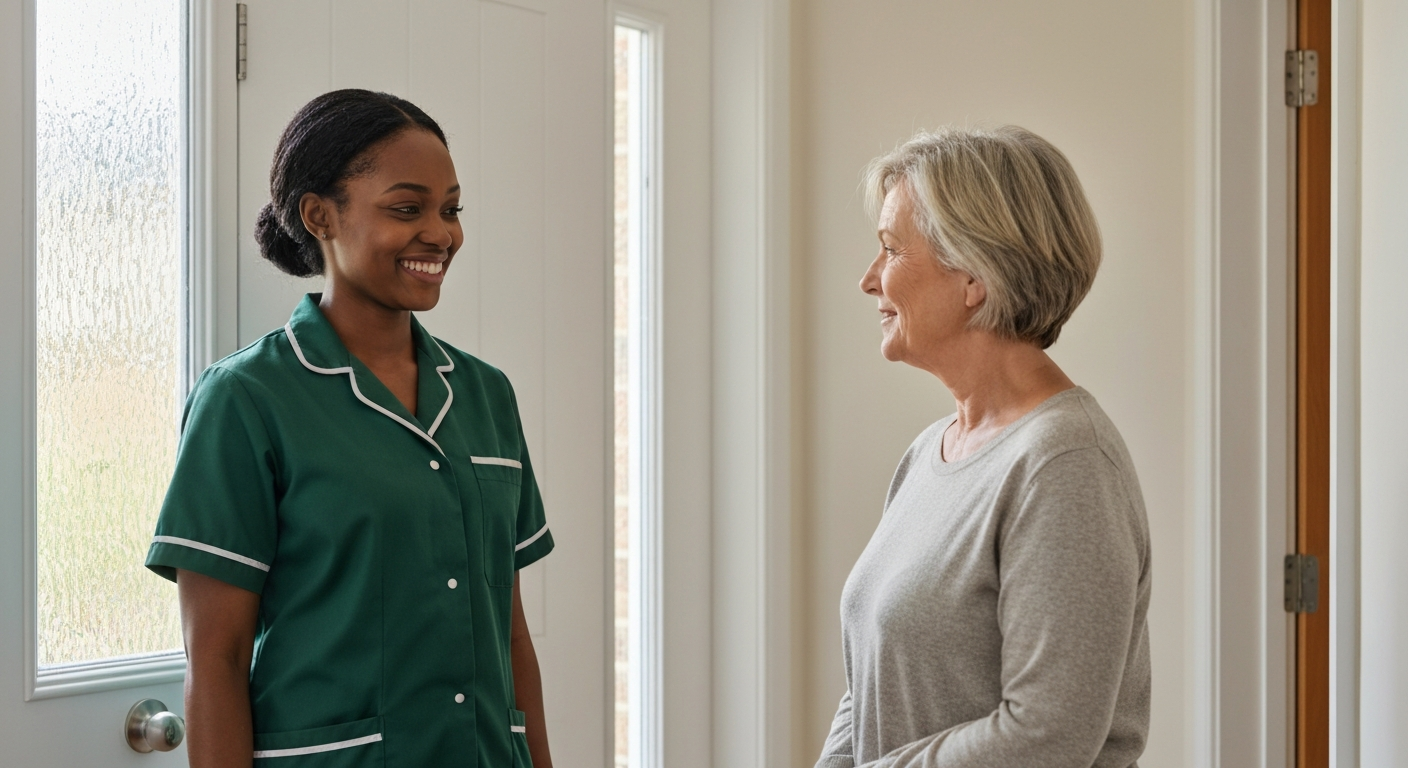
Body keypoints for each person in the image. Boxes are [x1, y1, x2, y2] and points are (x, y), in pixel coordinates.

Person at [146, 89, 554, 768]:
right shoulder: (246, 400)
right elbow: (214, 661)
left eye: (451, 209)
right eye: (407, 208)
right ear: (319, 216)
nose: (441, 232)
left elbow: (510, 636)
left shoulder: (488, 395)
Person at [816, 126, 1151, 768]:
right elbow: (871, 684)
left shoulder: (1065, 464)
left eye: (890, 250)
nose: (868, 279)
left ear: (974, 277)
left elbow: (1046, 737)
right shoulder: (928, 453)